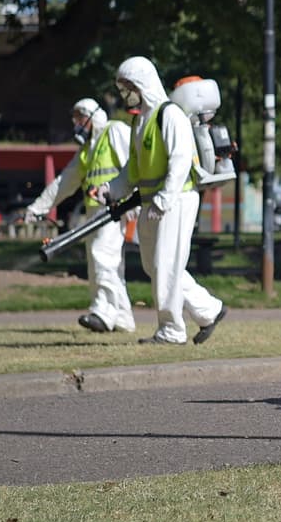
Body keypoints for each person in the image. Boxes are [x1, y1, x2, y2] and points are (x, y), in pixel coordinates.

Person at [95, 56, 228, 346]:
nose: (125, 93)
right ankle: (209, 311)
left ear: (142, 84)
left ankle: (172, 330)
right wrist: (110, 190)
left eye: (128, 86)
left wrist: (164, 200)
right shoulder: (140, 120)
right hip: (152, 202)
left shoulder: (169, 115)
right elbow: (132, 169)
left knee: (165, 265)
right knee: (154, 266)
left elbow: (180, 161)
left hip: (176, 200)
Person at [23, 98, 136, 333]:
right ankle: (123, 318)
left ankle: (103, 312)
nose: (76, 124)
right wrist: (38, 208)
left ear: (92, 117)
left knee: (101, 255)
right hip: (97, 213)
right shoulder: (88, 150)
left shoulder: (114, 131)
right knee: (107, 263)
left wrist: (135, 198)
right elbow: (65, 182)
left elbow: (133, 163)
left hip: (116, 208)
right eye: (74, 119)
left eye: (79, 119)